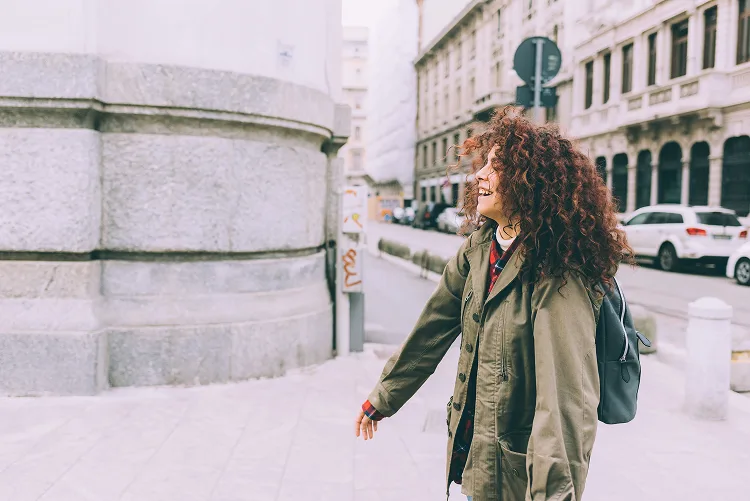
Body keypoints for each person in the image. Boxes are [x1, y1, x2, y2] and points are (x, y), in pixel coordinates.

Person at [354, 106, 632, 501]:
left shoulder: (557, 270)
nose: (480, 174)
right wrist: (383, 397)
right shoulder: (479, 248)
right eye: (482, 164)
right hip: (473, 462)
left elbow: (565, 403)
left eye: (495, 166)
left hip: (517, 480)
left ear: (529, 181)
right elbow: (432, 329)